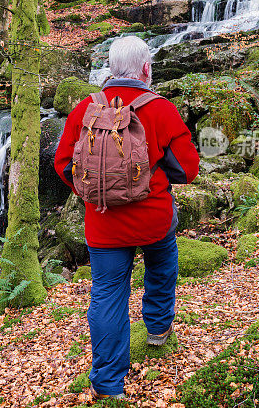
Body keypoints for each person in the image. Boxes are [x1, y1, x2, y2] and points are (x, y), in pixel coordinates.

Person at [54, 35, 200, 400]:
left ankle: (107, 384)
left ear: (109, 68)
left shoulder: (85, 108)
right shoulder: (161, 109)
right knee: (162, 265)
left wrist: (93, 194)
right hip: (152, 219)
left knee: (106, 293)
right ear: (146, 69)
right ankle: (158, 328)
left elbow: (62, 164)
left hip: (103, 224)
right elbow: (189, 168)